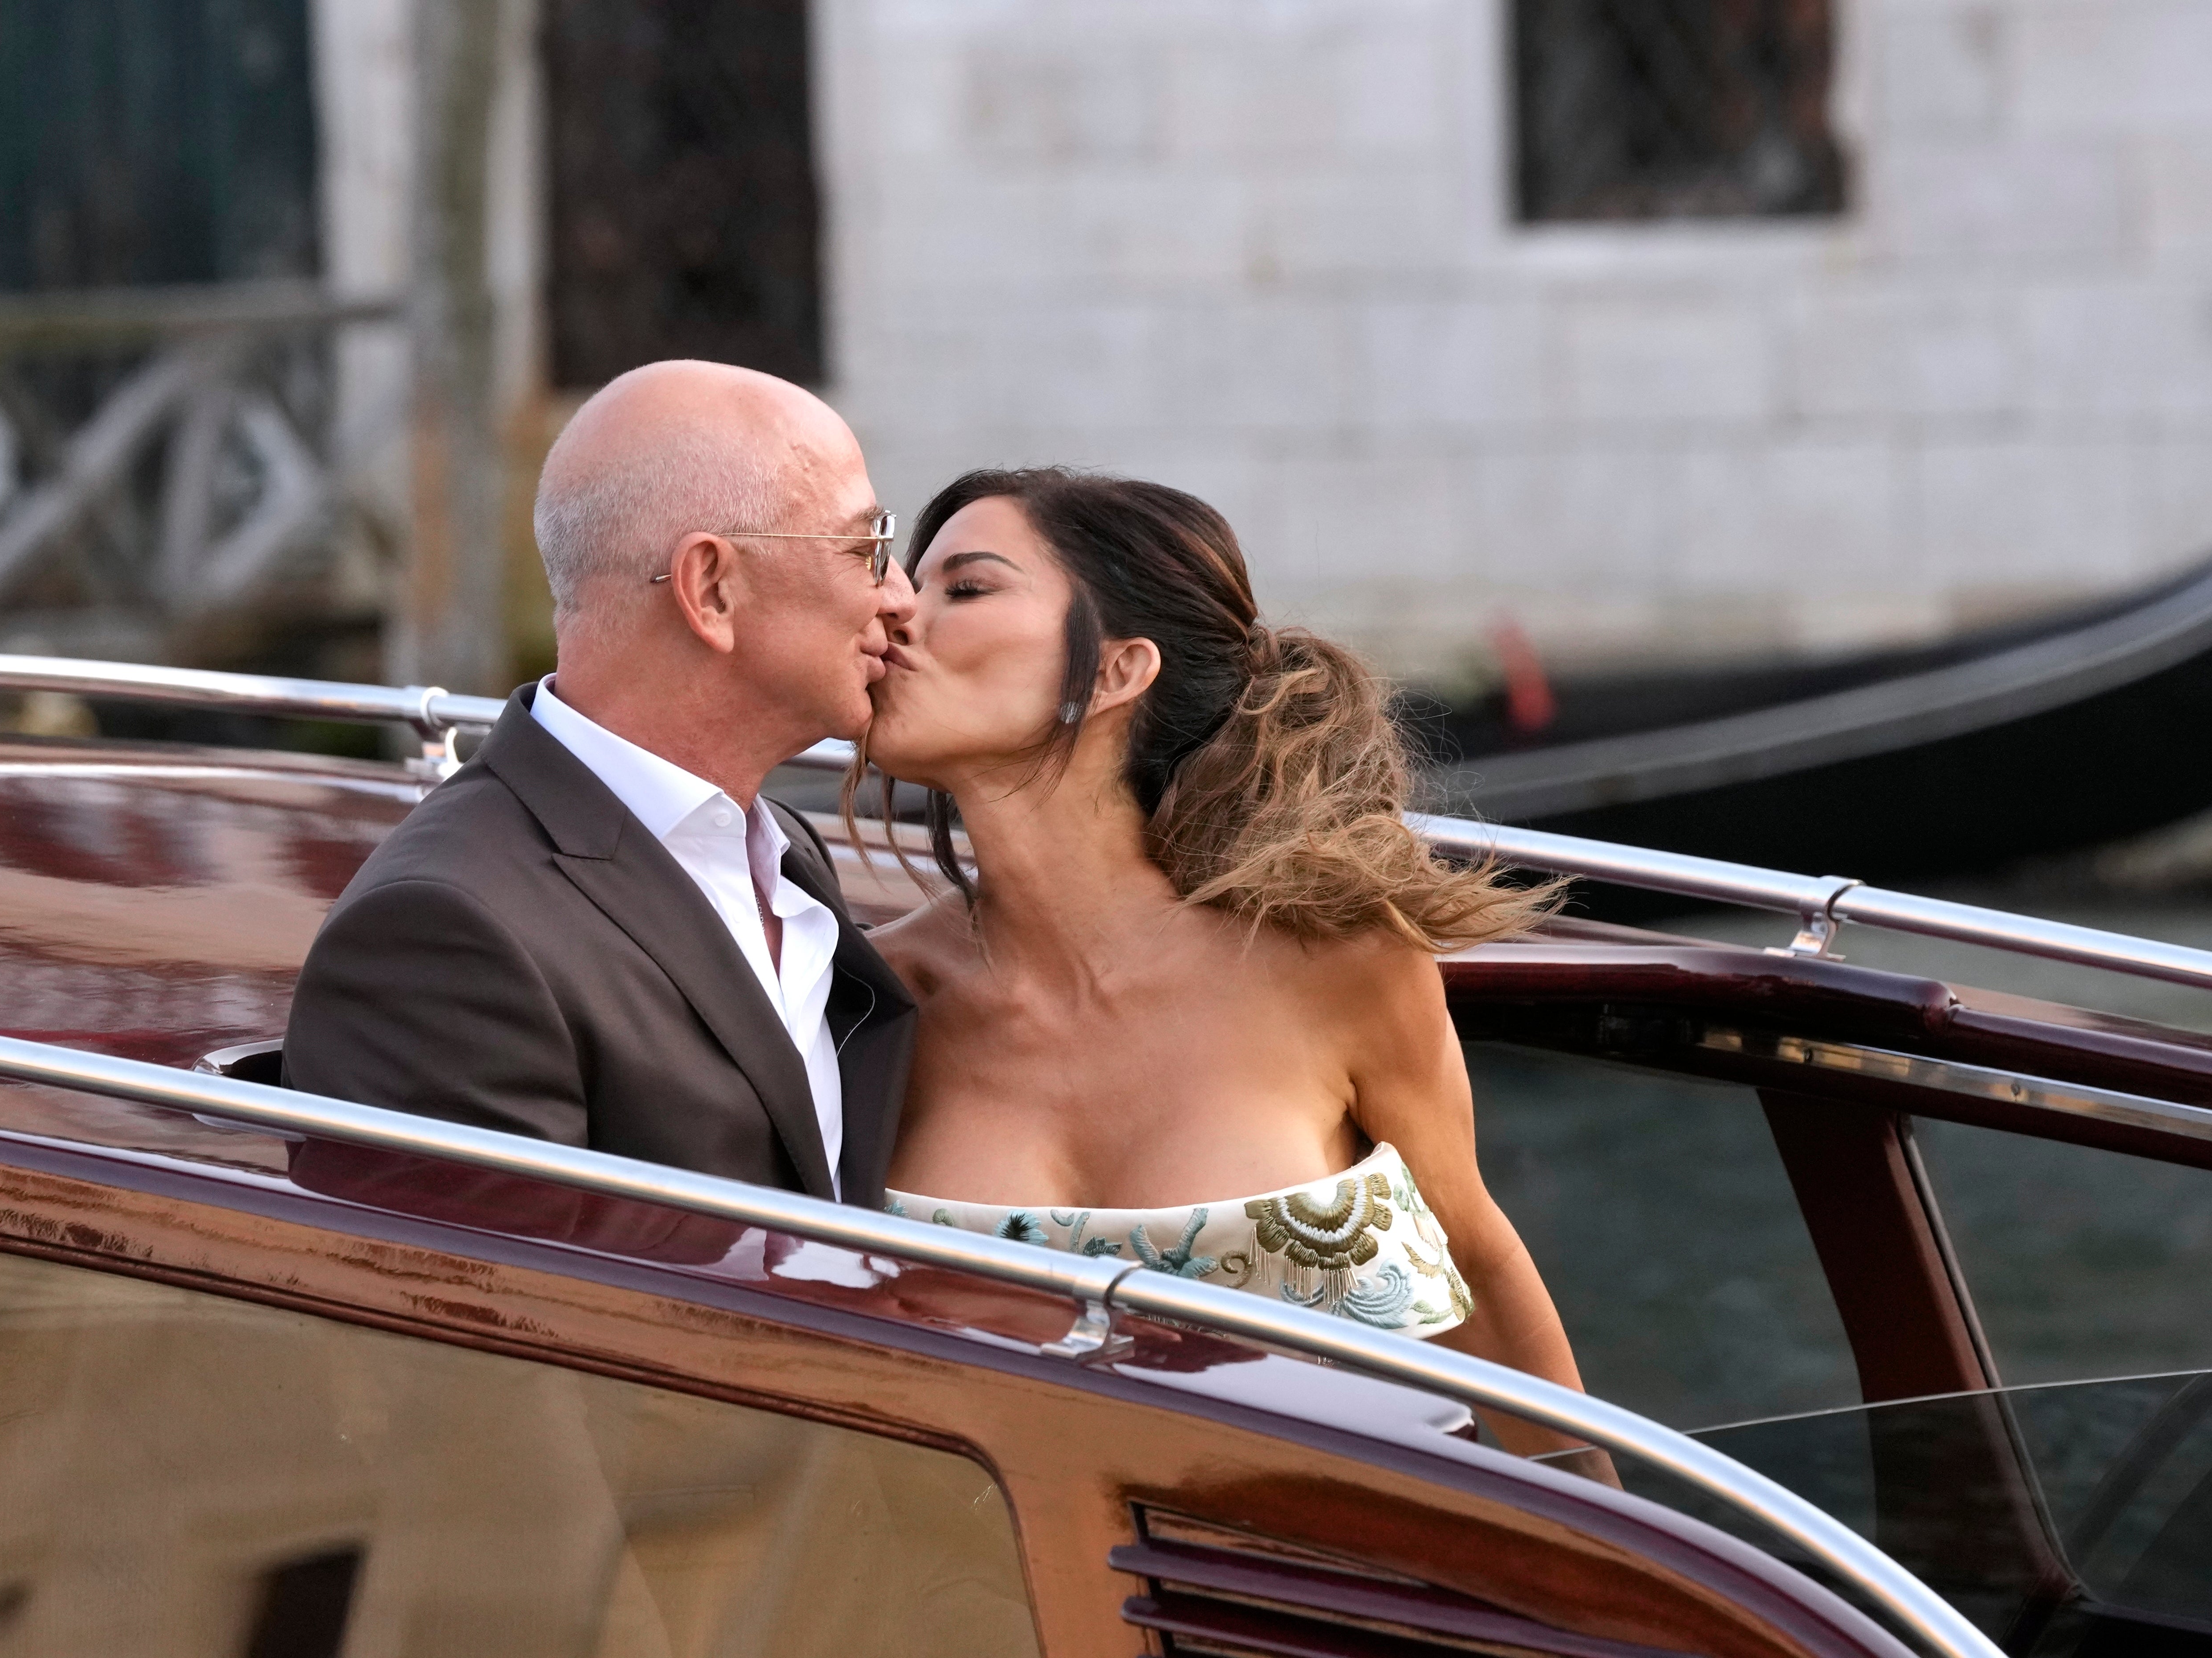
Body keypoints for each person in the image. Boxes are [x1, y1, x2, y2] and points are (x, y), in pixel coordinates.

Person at [861, 468, 1591, 1453]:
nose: (898, 610)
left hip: (1323, 1575)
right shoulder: (873, 998)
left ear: (1117, 672)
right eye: (908, 579)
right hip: (993, 1589)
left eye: (966, 588)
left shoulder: (1336, 958)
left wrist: (1607, 1584)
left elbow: (1475, 1262)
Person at [284, 361, 919, 1205]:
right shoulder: (443, 934)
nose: (903, 598)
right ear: (712, 589)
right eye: (868, 548)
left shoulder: (777, 850)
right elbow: (489, 1324)